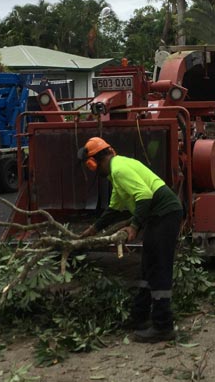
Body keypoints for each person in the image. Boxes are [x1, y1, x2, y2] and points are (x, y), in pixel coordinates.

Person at [78, 137, 183, 343]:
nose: (92, 170)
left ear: (95, 161)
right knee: (147, 267)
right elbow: (114, 208)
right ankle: (140, 317)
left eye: (90, 165)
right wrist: (93, 229)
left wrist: (134, 226)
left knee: (159, 267)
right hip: (158, 216)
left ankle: (163, 327)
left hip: (165, 214)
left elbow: (144, 196)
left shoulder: (119, 170)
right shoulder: (117, 173)